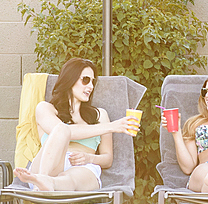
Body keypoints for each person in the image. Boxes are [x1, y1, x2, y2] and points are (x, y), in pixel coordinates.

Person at [12, 58, 137, 192]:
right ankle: (42, 179)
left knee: (70, 178)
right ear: (70, 79)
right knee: (61, 129)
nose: (90, 86)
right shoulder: (45, 109)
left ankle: (48, 184)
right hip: (48, 167)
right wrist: (113, 126)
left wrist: (89, 158)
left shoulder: (100, 115)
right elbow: (67, 132)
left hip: (83, 168)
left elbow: (108, 159)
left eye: (93, 82)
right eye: (85, 80)